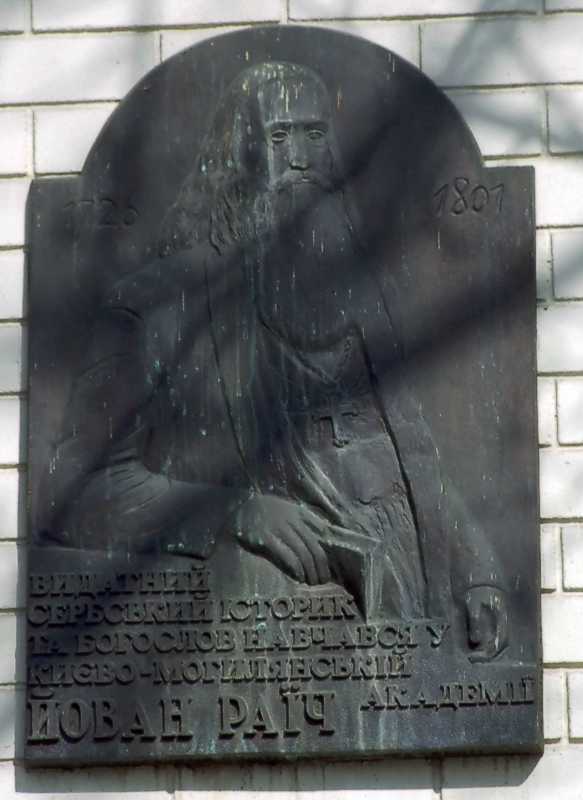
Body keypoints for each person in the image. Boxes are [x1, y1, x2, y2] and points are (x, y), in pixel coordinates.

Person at [41, 61, 507, 658]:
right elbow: (76, 491)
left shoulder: (360, 287)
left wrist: (475, 570)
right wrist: (234, 511)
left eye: (315, 134)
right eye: (280, 135)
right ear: (238, 154)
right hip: (290, 595)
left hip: (408, 571)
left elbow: (409, 450)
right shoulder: (156, 307)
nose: (301, 158)